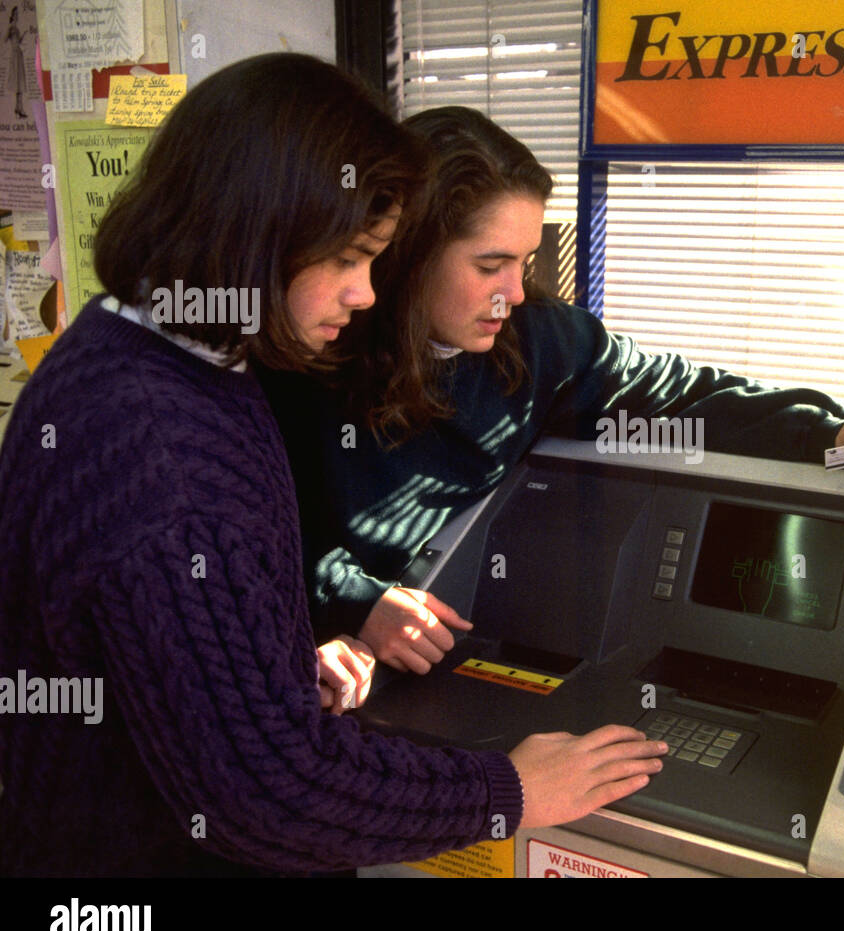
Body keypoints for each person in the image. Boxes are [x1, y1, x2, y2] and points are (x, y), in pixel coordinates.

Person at [0, 55, 664, 877]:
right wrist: (511, 789)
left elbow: (156, 639)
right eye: (348, 259)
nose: (365, 294)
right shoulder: (161, 448)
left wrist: (268, 664)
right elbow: (269, 797)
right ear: (254, 234)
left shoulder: (149, 345)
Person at [261, 106, 844, 671]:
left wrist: (827, 433)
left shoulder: (540, 340)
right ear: (407, 252)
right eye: (490, 265)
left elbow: (680, 399)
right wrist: (355, 602)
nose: (514, 293)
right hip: (328, 654)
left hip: (453, 640)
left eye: (524, 261)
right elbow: (260, 539)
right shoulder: (315, 352)